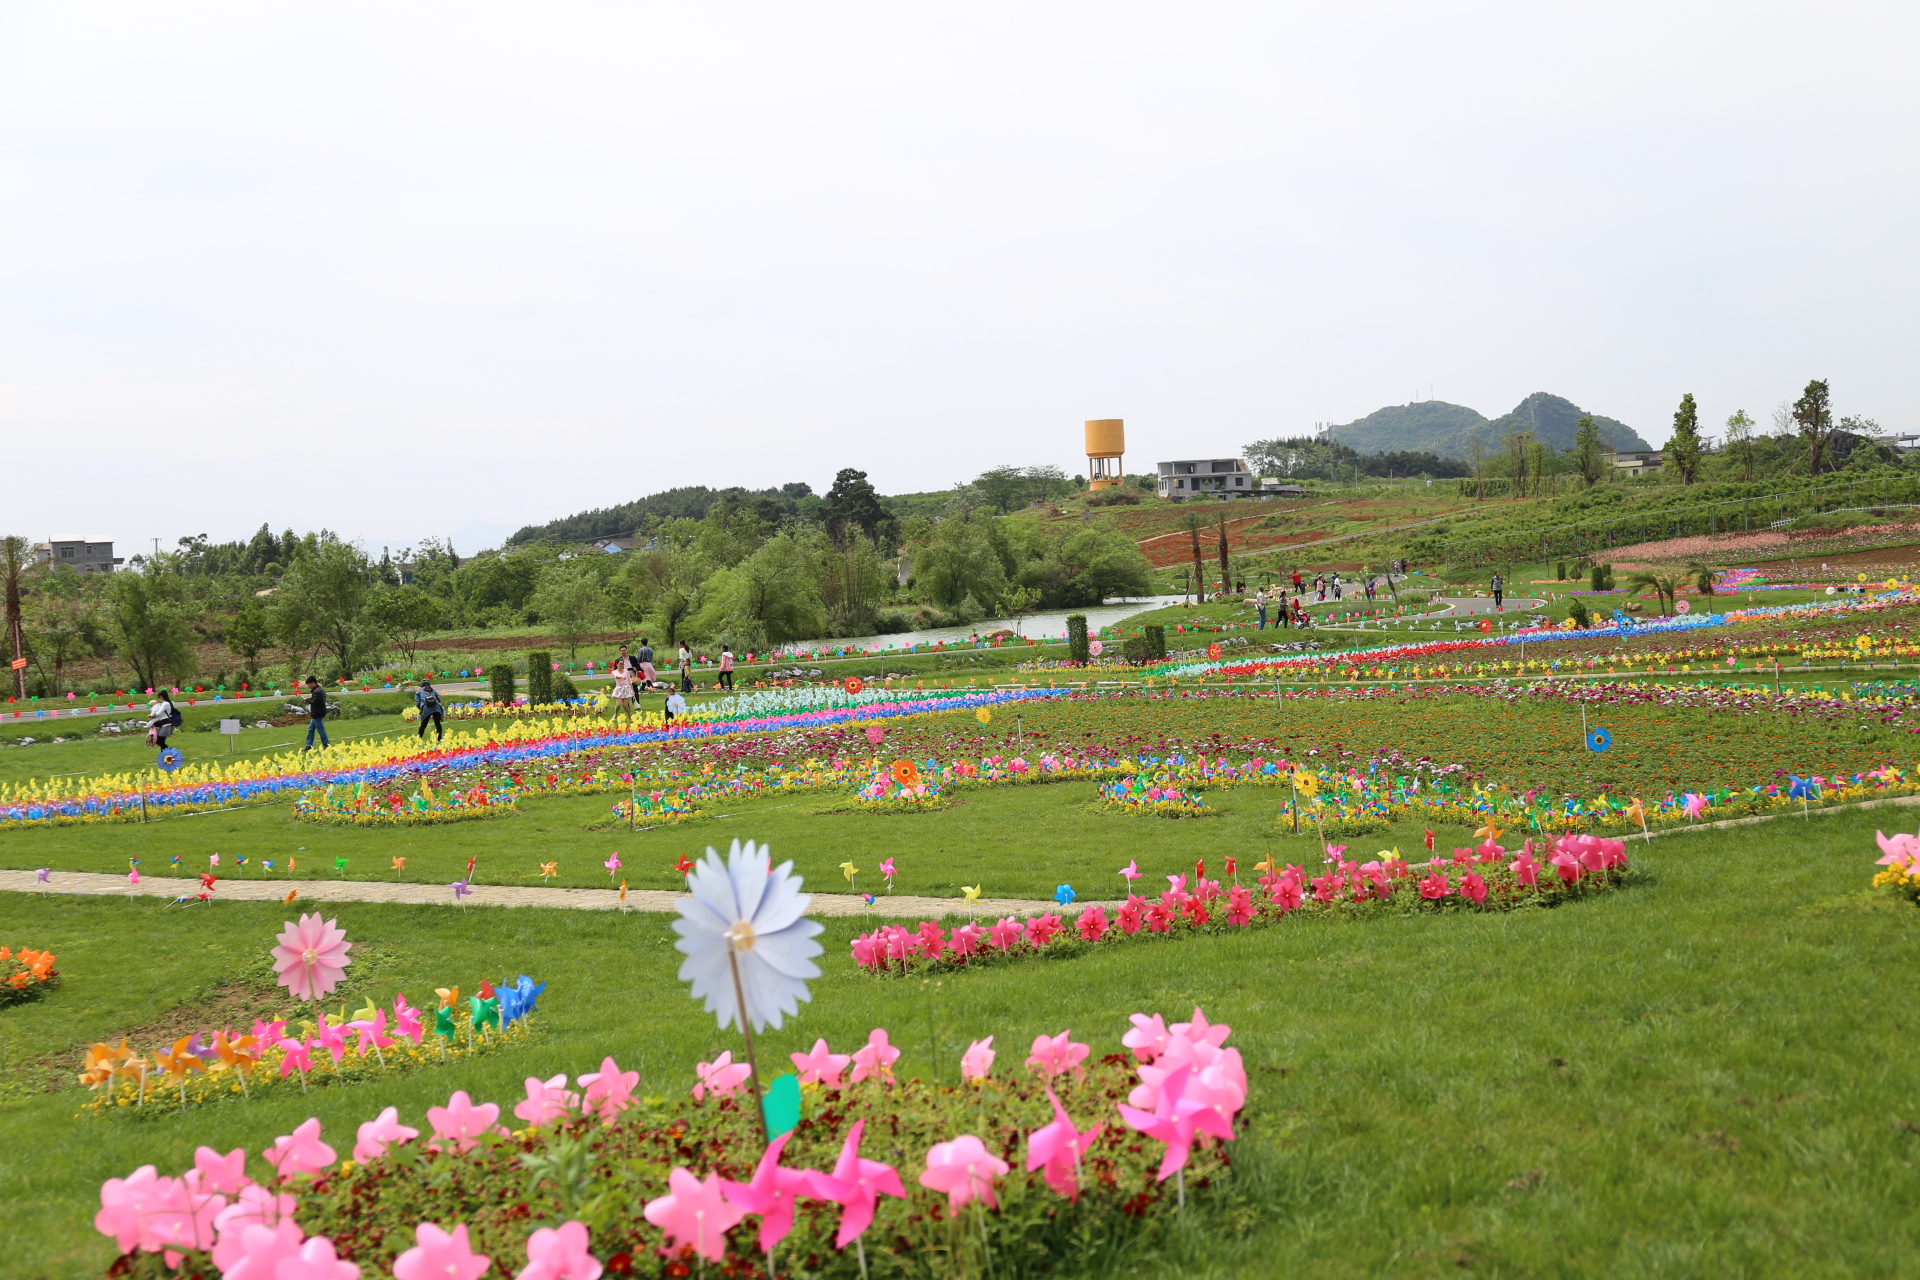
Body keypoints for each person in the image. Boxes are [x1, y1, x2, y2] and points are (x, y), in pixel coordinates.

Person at [303, 676, 330, 750]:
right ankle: (308, 746)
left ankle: (327, 745)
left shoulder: (317, 691)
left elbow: (315, 702)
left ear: (313, 683)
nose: (309, 686)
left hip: (317, 713)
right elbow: (315, 700)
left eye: (309, 684)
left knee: (321, 730)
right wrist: (309, 699)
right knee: (311, 729)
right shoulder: (319, 690)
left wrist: (307, 700)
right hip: (317, 713)